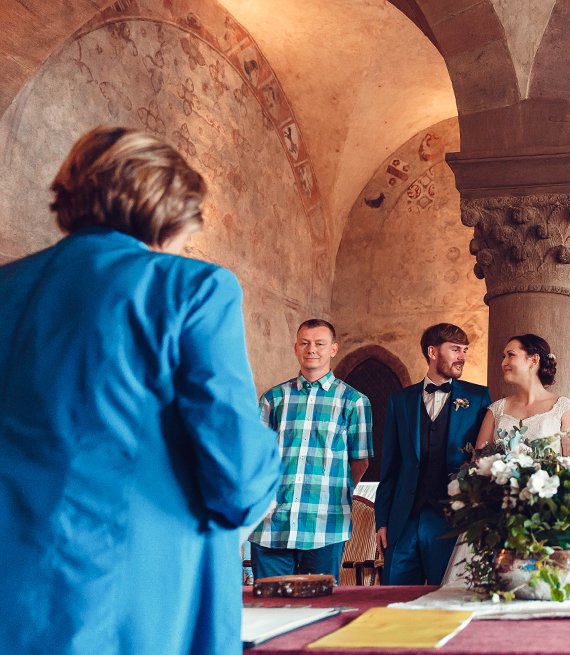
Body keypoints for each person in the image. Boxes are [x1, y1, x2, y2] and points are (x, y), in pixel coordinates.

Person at [0, 127, 280, 653]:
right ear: (168, 210)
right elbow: (238, 474)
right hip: (127, 592)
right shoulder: (190, 287)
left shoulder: (7, 287)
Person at [248, 319, 373, 579]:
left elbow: (359, 461)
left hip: (325, 523)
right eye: (304, 343)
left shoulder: (354, 401)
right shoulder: (274, 399)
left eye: (319, 343)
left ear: (333, 349)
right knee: (269, 608)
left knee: (319, 606)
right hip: (272, 522)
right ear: (296, 348)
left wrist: (331, 495)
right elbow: (257, 457)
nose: (311, 349)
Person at [375, 323, 492, 584]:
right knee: (395, 601)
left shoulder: (479, 397)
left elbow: (484, 461)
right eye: (454, 349)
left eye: (465, 350)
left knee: (447, 598)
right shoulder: (400, 400)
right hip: (404, 519)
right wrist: (382, 521)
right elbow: (390, 466)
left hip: (451, 520)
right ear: (432, 352)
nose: (462, 356)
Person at [474, 334, 570, 453]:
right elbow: (478, 463)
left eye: (511, 355)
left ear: (534, 360)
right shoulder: (496, 410)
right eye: (503, 356)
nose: (503, 363)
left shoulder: (565, 409)